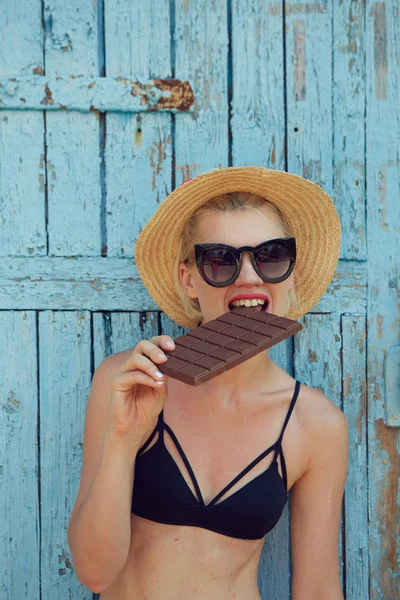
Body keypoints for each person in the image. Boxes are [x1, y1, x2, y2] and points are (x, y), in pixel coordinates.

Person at [68, 166, 348, 600]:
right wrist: (124, 438)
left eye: (270, 255)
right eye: (221, 260)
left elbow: (317, 589)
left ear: (291, 272)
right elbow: (95, 573)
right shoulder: (130, 381)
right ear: (189, 279)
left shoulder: (316, 423)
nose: (249, 277)